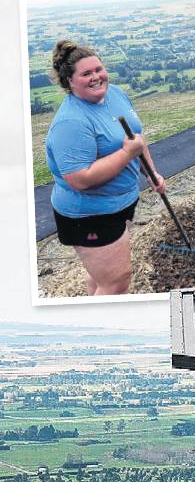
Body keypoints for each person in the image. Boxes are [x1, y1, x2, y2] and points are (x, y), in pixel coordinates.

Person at [44, 40, 166, 296]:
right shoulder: (71, 123)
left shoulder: (116, 94)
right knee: (116, 282)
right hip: (90, 215)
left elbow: (136, 138)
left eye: (98, 69)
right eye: (86, 73)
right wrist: (125, 153)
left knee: (101, 277)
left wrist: (151, 173)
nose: (96, 77)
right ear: (69, 81)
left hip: (121, 201)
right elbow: (80, 178)